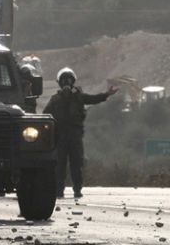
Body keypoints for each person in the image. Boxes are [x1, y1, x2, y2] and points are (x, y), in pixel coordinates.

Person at [43, 67, 118, 199]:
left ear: (73, 82)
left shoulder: (78, 97)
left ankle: (77, 189)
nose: (66, 83)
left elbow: (94, 99)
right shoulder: (55, 99)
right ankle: (59, 190)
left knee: (76, 164)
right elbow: (45, 116)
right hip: (61, 137)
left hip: (74, 136)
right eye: (64, 80)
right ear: (60, 83)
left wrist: (107, 94)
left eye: (68, 80)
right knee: (60, 165)